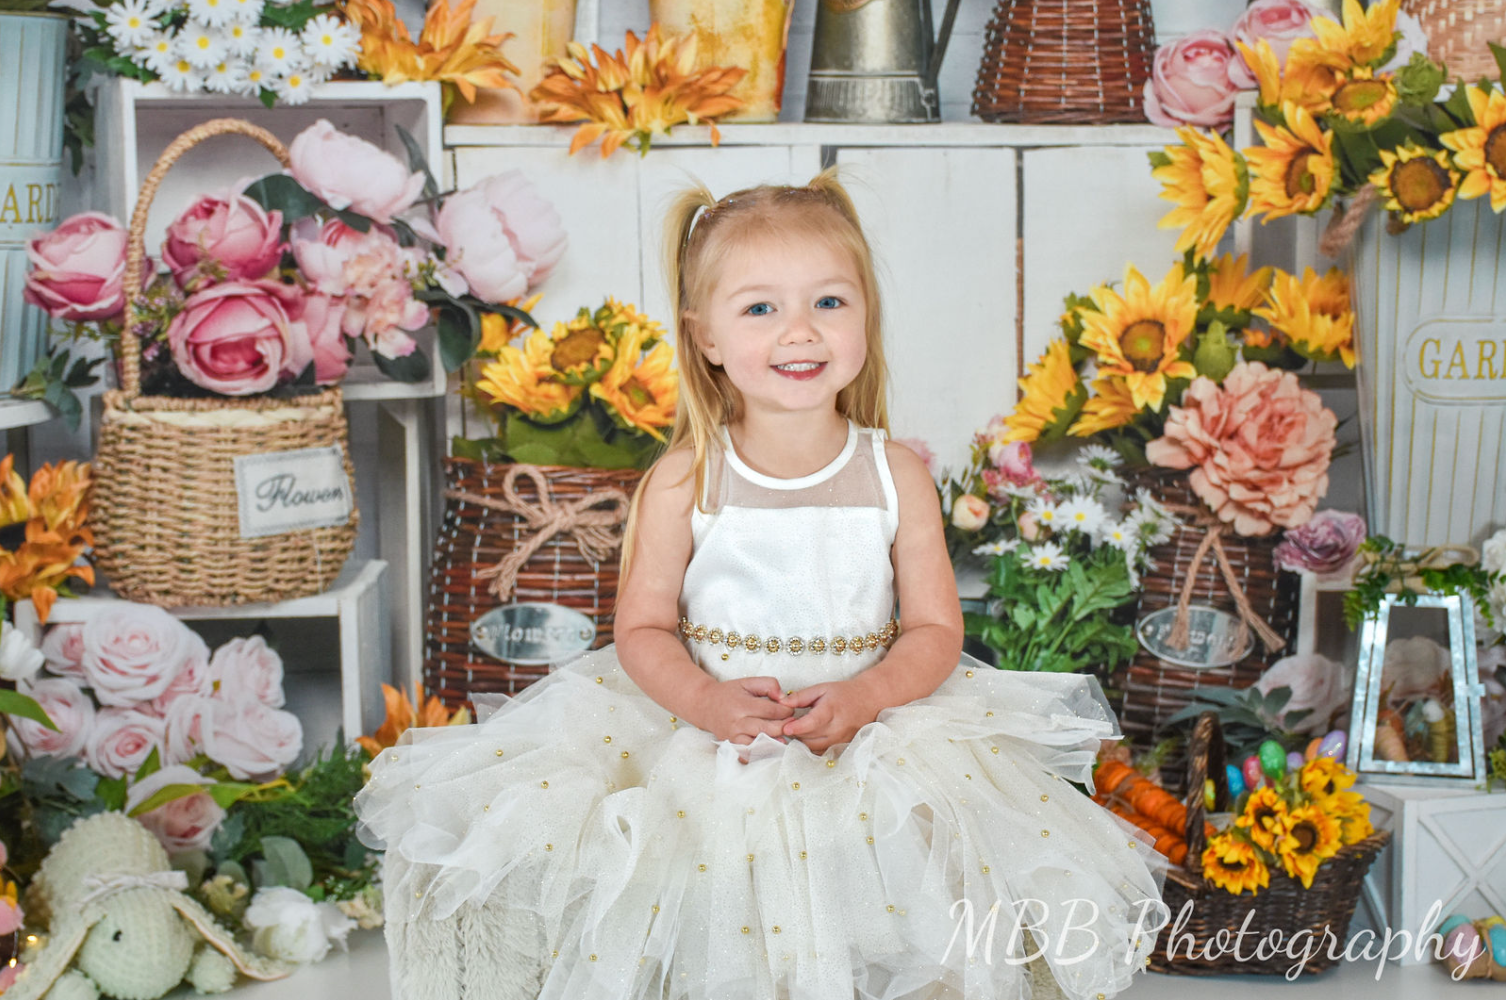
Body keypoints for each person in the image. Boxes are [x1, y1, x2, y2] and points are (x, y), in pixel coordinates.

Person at [356, 170, 1166, 1000]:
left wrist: (868, 696)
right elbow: (641, 629)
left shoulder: (894, 474)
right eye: (760, 309)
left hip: (870, 734)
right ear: (704, 336)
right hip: (712, 738)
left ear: (865, 315)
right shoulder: (687, 478)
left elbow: (935, 630)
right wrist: (705, 703)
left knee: (900, 893)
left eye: (829, 302)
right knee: (713, 900)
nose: (799, 331)